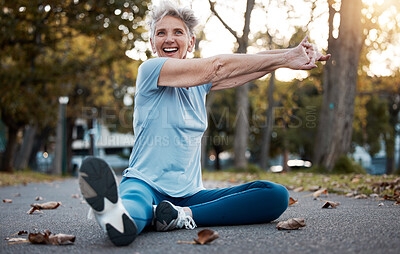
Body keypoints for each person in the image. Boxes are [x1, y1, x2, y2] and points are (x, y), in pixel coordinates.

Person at [78, 0, 330, 247]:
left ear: (191, 42)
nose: (169, 39)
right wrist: (287, 57)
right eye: (161, 33)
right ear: (152, 42)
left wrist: (290, 57)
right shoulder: (151, 70)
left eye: (178, 32)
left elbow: (248, 65)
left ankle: (180, 215)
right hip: (145, 182)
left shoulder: (200, 85)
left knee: (275, 195)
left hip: (190, 195)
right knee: (135, 202)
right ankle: (118, 217)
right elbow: (217, 66)